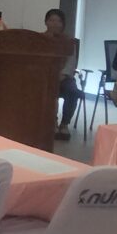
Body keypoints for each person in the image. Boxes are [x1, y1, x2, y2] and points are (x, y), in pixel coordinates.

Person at [41, 9, 80, 140]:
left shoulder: (69, 41)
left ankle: (64, 124)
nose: (55, 24)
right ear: (46, 22)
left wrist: (61, 75)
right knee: (47, 89)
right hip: (45, 76)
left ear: (63, 24)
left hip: (64, 77)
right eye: (52, 20)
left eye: (58, 21)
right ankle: (52, 122)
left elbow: (71, 63)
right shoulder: (39, 39)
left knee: (73, 92)